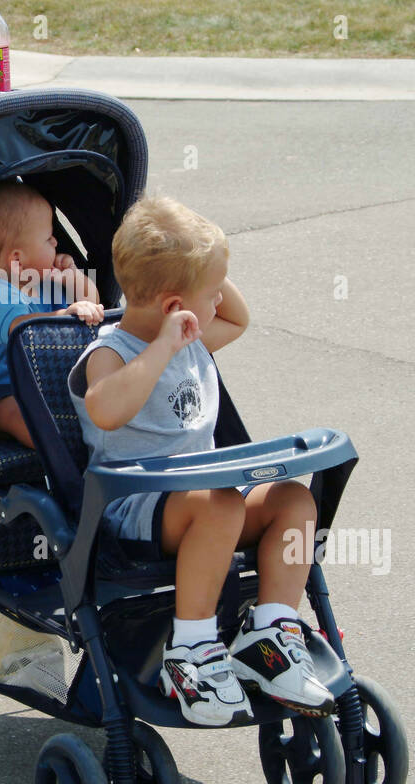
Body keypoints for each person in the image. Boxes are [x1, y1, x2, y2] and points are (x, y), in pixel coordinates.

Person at [68, 195, 334, 726]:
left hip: (211, 497)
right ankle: (190, 652)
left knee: (293, 499)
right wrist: (163, 344)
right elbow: (105, 407)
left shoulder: (192, 337)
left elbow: (238, 317)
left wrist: (204, 260)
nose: (220, 301)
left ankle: (271, 633)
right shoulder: (109, 353)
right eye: (210, 293)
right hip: (135, 508)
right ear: (175, 307)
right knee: (220, 507)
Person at [0, 181, 104, 447]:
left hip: (49, 389)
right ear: (17, 260)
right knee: (16, 412)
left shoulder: (45, 282)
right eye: (48, 238)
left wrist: (74, 280)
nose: (56, 241)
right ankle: (60, 452)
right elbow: (22, 329)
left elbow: (92, 308)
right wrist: (65, 314)